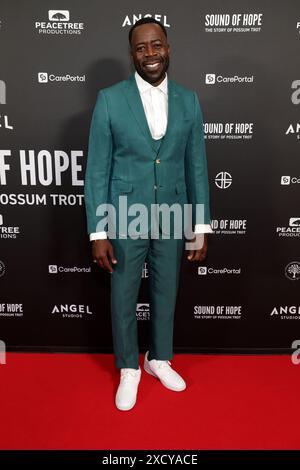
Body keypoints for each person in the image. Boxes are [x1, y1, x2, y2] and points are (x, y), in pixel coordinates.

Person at [84, 17, 213, 411]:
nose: (150, 54)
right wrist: (98, 231)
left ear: (168, 48)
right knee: (123, 294)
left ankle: (158, 359)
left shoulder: (189, 100)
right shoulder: (110, 99)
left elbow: (197, 167)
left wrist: (202, 225)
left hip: (173, 212)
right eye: (141, 48)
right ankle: (128, 368)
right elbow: (97, 170)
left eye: (157, 45)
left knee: (165, 290)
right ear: (132, 54)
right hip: (125, 212)